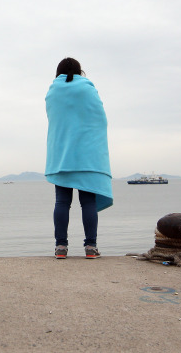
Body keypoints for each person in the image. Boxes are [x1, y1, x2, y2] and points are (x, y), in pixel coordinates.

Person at [45, 58, 113, 259]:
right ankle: (90, 248)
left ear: (59, 72)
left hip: (61, 155)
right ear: (80, 71)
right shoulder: (88, 89)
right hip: (87, 156)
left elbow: (55, 120)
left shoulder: (52, 92)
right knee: (88, 203)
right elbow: (100, 120)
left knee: (62, 202)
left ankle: (60, 247)